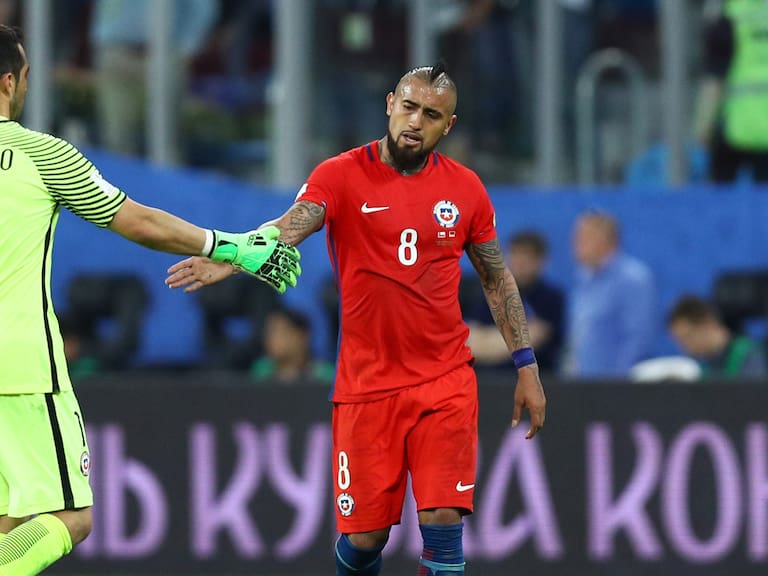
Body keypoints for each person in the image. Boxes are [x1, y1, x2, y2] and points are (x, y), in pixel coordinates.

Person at [167, 62, 546, 576]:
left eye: (431, 114)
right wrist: (231, 257)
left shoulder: (467, 190)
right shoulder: (340, 175)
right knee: (366, 539)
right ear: (390, 103)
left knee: (442, 519)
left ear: (447, 126)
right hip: (368, 387)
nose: (415, 121)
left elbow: (496, 279)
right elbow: (290, 225)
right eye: (408, 107)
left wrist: (527, 366)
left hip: (445, 380)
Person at [0, 25, 300, 576]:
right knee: (69, 516)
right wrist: (230, 246)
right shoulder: (41, 155)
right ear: (9, 82)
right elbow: (137, 221)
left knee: (10, 528)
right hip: (20, 368)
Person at [89, 0, 219, 159]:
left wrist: (186, 49)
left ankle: (168, 181)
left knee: (166, 138)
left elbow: (202, 7)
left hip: (164, 53)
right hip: (116, 50)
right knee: (117, 137)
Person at [566, 210, 656, 378]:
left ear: (608, 240)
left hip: (614, 388)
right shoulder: (583, 279)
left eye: (584, 237)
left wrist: (617, 385)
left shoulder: (633, 279)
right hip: (582, 385)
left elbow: (638, 338)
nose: (575, 243)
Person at [465, 230, 565, 374]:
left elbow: (533, 339)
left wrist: (489, 340)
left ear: (541, 261)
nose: (520, 263)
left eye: (526, 257)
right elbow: (471, 342)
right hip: (489, 381)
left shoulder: (551, 298)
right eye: (515, 255)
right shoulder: (492, 293)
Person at [693, 0, 768, 183]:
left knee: (720, 203)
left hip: (735, 127)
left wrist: (703, 126)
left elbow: (715, 82)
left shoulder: (728, 18)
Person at [667, 294, 768, 379]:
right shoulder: (702, 367)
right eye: (679, 341)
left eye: (687, 336)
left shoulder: (749, 354)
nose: (684, 347)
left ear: (707, 323)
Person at [250, 307, 334, 384]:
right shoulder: (261, 372)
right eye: (269, 333)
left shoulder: (325, 375)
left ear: (302, 336)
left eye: (280, 332)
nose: (271, 339)